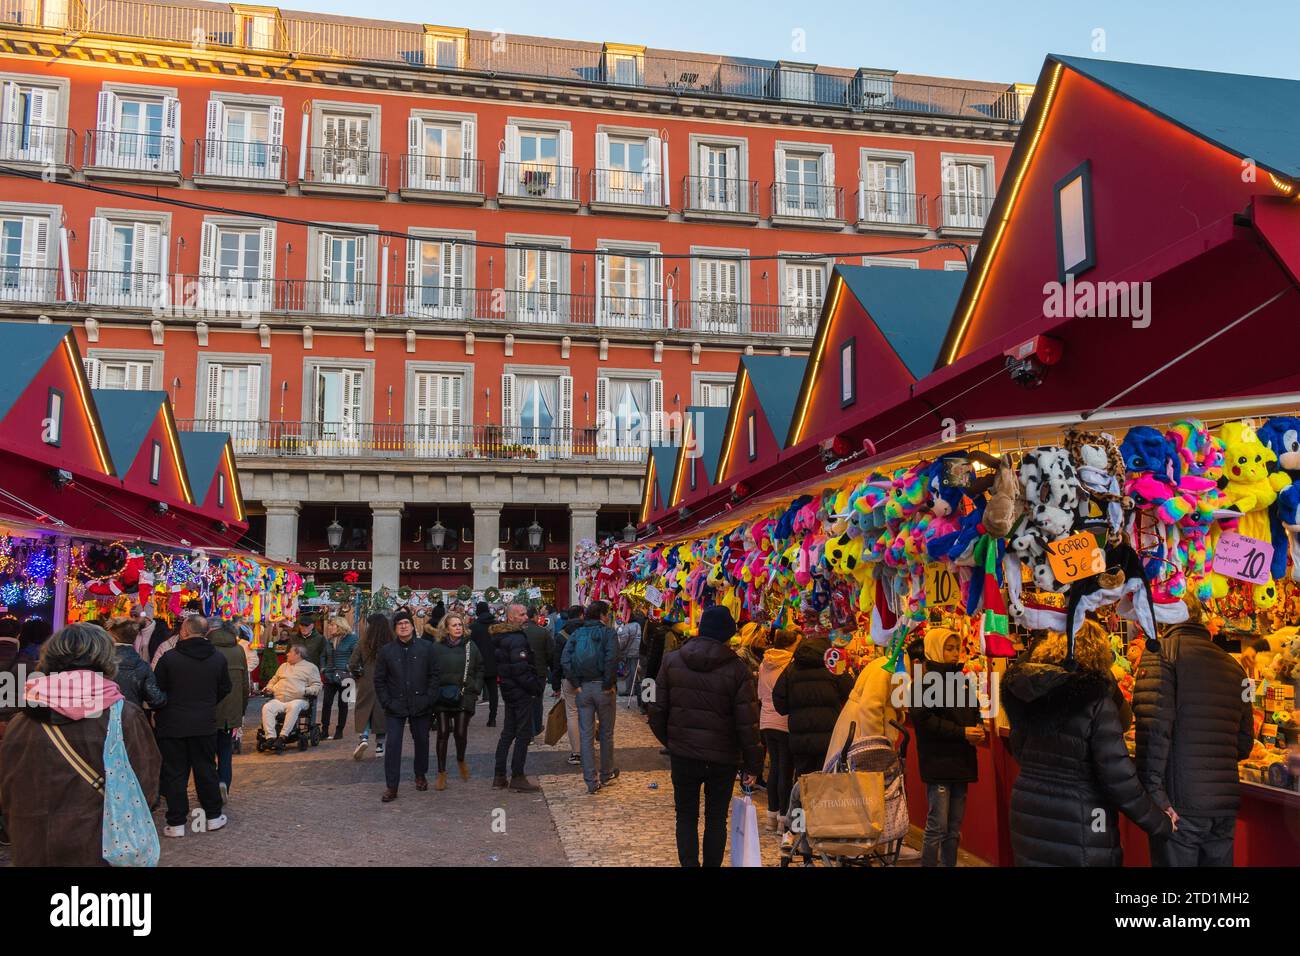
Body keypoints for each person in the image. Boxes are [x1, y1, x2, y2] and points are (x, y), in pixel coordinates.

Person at [1003, 627, 1171, 866]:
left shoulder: (1027, 693)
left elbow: (1018, 750)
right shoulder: (1096, 702)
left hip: (1028, 811)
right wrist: (1160, 822)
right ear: (1099, 654)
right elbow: (1119, 780)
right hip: (1084, 816)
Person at [0, 623, 161, 866]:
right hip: (99, 846)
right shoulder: (123, 716)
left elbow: (8, 788)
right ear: (106, 658)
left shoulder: (21, 721)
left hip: (33, 846)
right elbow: (146, 786)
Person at [1133, 595, 1256, 866]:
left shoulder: (1161, 652)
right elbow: (1245, 742)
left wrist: (1156, 796)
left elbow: (1152, 730)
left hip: (1179, 806)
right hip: (1223, 807)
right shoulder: (1236, 668)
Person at [649, 605, 762, 867]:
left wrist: (673, 741)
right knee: (715, 818)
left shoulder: (672, 661)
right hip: (722, 758)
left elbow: (656, 710)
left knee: (686, 816)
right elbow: (748, 723)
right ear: (728, 634)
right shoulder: (738, 670)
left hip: (684, 755)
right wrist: (752, 763)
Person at [153, 613, 231, 838]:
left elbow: (157, 690)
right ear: (206, 632)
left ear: (184, 632)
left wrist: (164, 708)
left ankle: (177, 822)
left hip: (172, 724)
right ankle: (213, 816)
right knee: (206, 769)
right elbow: (225, 687)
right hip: (204, 723)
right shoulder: (217, 658)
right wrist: (207, 703)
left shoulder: (169, 658)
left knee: (175, 773)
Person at [912, 627, 984, 867]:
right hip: (938, 761)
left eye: (957, 648)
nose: (955, 653)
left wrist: (978, 726)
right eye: (949, 648)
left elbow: (973, 709)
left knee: (954, 827)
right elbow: (924, 721)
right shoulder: (923, 683)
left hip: (962, 760)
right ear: (934, 649)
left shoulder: (961, 679)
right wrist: (962, 732)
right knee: (937, 826)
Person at [373, 610, 439, 802]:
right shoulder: (386, 651)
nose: (403, 626)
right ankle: (392, 786)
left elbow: (434, 675)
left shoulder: (427, 648)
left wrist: (429, 698)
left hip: (421, 703)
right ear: (395, 628)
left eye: (406, 623)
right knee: (393, 745)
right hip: (395, 704)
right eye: (399, 623)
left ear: (412, 626)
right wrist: (387, 701)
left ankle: (420, 775)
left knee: (422, 741)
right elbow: (379, 680)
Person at [772, 627, 854, 777]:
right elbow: (851, 692)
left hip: (800, 740)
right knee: (827, 785)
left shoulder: (791, 669)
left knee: (804, 784)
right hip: (829, 739)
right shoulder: (834, 666)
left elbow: (779, 704)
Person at [562, 600, 620, 794]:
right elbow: (612, 659)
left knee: (586, 736)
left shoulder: (577, 634)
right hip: (603, 689)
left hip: (583, 688)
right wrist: (608, 684)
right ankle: (606, 773)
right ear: (603, 615)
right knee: (606, 733)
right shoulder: (609, 633)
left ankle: (590, 780)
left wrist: (576, 684)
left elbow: (566, 659)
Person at [491, 606, 545, 792]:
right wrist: (535, 686)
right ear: (512, 617)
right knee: (522, 733)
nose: (525, 617)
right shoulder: (516, 638)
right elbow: (520, 668)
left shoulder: (503, 636)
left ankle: (499, 775)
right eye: (521, 614)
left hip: (509, 689)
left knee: (508, 732)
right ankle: (517, 775)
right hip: (520, 691)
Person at [430, 610, 483, 790]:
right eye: (454, 625)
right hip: (442, 695)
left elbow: (479, 667)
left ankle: (461, 759)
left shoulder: (470, 646)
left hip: (464, 694)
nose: (458, 628)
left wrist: (475, 687)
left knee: (460, 732)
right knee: (443, 732)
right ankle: (441, 772)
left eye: (460, 625)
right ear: (446, 628)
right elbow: (430, 670)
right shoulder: (436, 647)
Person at [757, 627, 798, 830]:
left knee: (774, 767)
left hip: (766, 720)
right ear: (791, 645)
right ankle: (784, 819)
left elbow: (760, 693)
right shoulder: (790, 663)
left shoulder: (765, 662)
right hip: (784, 720)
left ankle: (771, 817)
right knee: (786, 770)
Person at [209, 621, 249, 800]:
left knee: (207, 751)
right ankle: (223, 782)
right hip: (231, 709)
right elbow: (245, 683)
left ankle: (211, 786)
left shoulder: (208, 649)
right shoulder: (239, 650)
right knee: (225, 750)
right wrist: (241, 710)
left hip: (209, 709)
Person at [260, 643, 321, 752]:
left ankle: (283, 736)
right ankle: (270, 737)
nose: (287, 654)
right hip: (280, 699)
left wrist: (305, 691)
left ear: (298, 654)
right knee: (267, 707)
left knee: (294, 706)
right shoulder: (283, 666)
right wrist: (269, 687)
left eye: (290, 652)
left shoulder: (311, 667)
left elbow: (317, 685)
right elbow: (274, 680)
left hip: (299, 699)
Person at [351, 612, 392, 759]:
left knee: (364, 709)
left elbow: (353, 663)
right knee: (382, 712)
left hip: (366, 680)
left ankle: (364, 737)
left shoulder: (363, 642)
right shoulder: (390, 642)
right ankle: (380, 746)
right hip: (386, 681)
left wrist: (358, 676)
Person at [105, 617, 167, 711]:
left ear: (113, 637)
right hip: (131, 718)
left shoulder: (98, 663)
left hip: (103, 721)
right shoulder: (142, 666)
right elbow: (156, 700)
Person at [552, 604, 588, 764]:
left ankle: (576, 753)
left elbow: (557, 662)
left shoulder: (561, 635)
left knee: (572, 714)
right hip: (589, 677)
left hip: (569, 678)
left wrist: (555, 684)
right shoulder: (589, 630)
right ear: (582, 615)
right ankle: (588, 748)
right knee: (588, 712)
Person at [320, 615, 358, 740]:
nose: (330, 627)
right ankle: (324, 730)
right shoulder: (329, 640)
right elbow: (323, 656)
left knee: (343, 704)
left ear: (340, 626)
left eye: (332, 625)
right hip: (330, 676)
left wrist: (348, 668)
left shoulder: (352, 639)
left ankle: (339, 730)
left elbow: (356, 655)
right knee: (326, 703)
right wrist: (323, 668)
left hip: (346, 677)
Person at [469, 602, 499, 727]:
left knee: (472, 692)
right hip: (493, 663)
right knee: (493, 693)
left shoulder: (474, 627)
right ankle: (492, 718)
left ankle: (467, 717)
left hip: (477, 665)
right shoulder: (496, 625)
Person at [616, 612, 643, 697]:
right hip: (637, 651)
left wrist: (619, 649)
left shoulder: (627, 627)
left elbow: (623, 641)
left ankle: (629, 690)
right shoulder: (638, 625)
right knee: (634, 671)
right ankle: (635, 689)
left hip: (630, 652)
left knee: (629, 671)